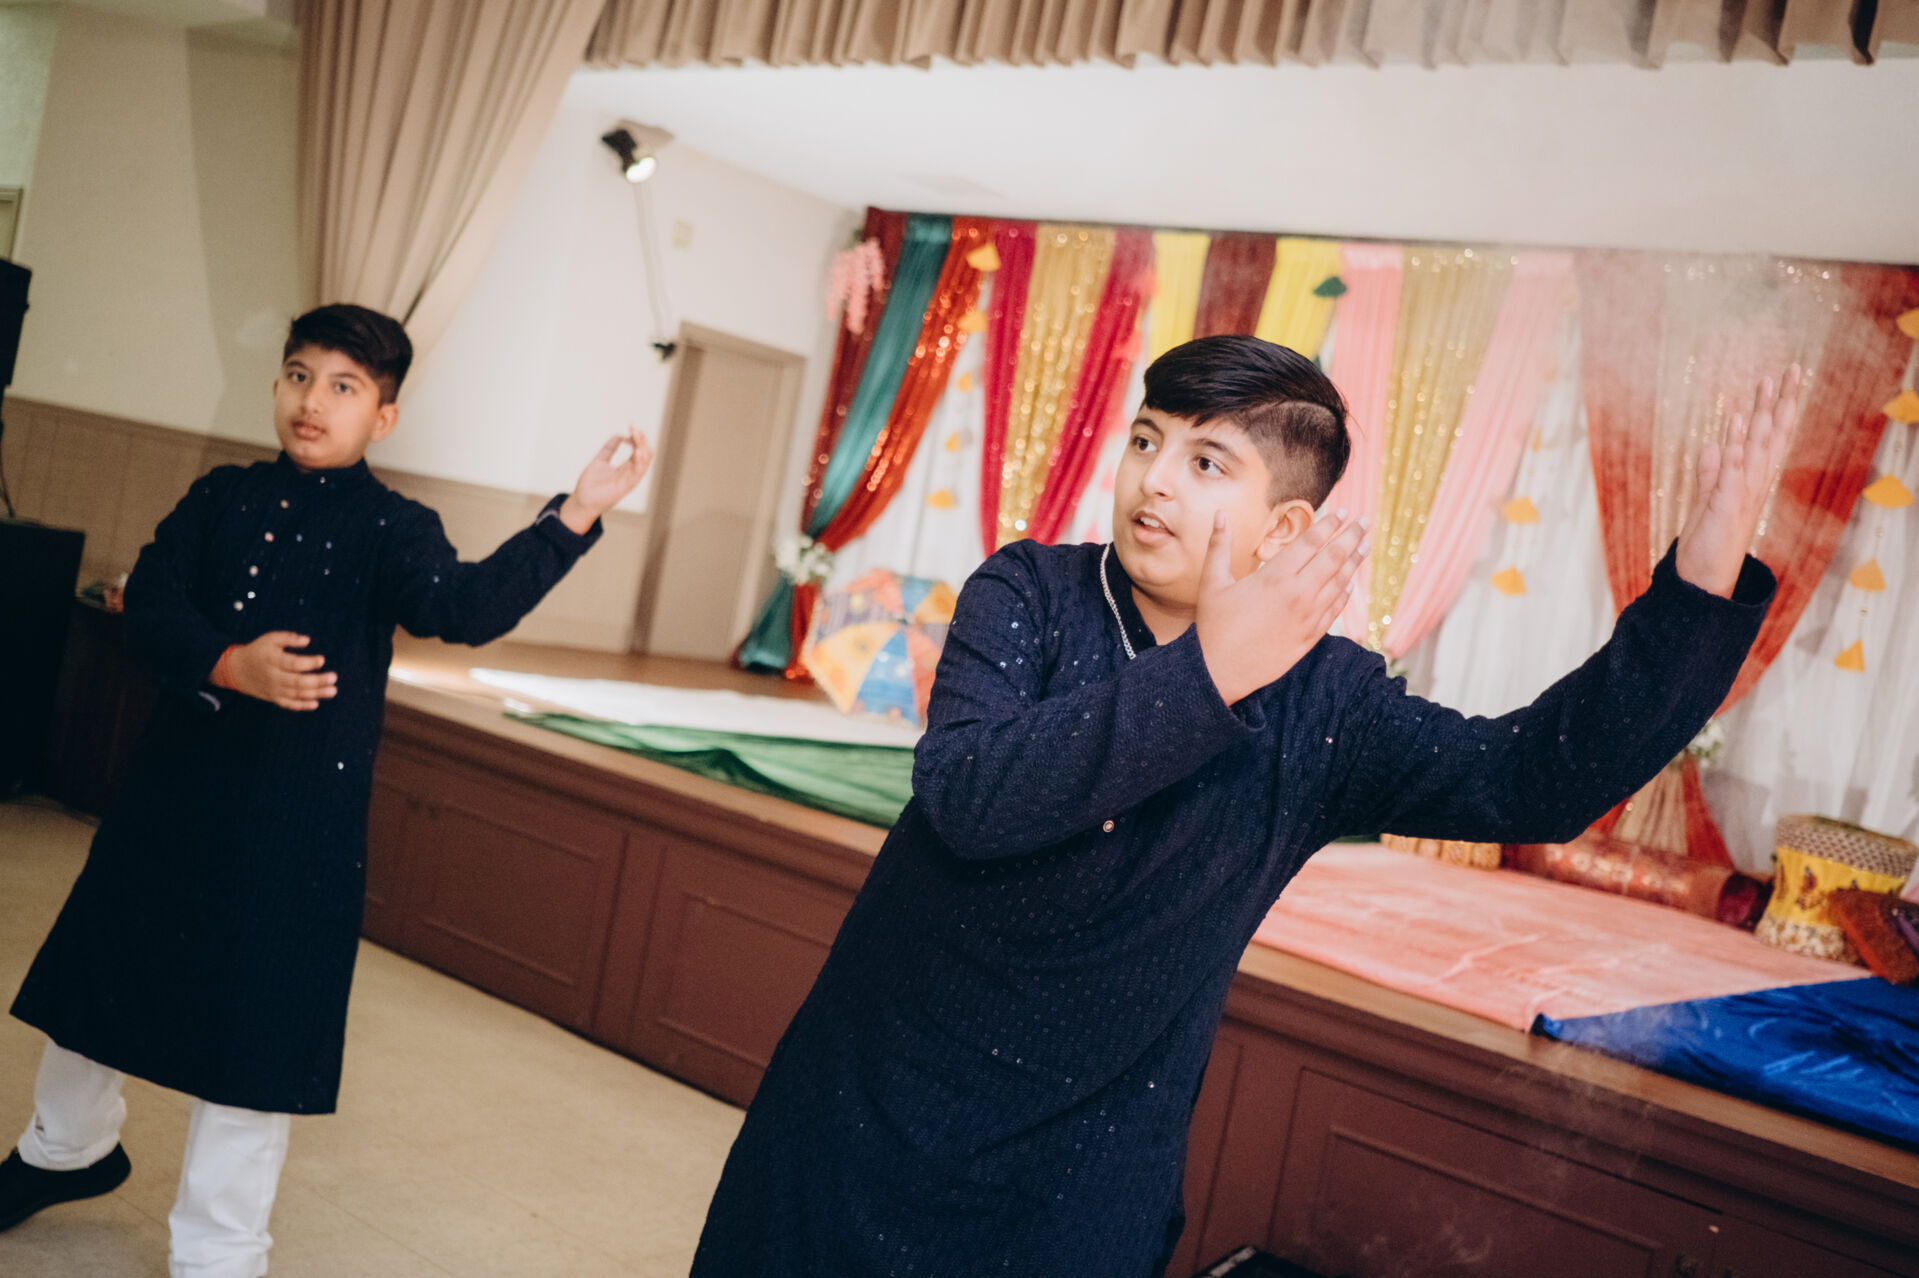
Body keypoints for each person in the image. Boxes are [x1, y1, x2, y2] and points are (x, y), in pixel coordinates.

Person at [691, 335, 1795, 1277]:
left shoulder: (1327, 701)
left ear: (1283, 527)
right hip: (866, 1114)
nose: (1154, 482)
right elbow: (971, 798)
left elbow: (1532, 780)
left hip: (1077, 1178)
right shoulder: (1027, 591)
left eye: (1206, 461)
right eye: (1145, 441)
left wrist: (1700, 585)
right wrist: (1209, 669)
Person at [0, 303, 652, 1278]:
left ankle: (218, 1255)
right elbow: (154, 603)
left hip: (295, 823)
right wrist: (229, 663)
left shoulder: (394, 527)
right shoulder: (220, 495)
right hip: (173, 793)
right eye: (300, 376)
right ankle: (65, 1150)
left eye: (344, 386)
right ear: (276, 386)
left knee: (259, 1027)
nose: (314, 401)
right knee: (103, 969)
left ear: (383, 416)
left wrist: (576, 514)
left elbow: (465, 608)